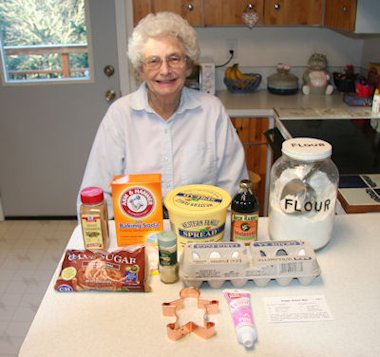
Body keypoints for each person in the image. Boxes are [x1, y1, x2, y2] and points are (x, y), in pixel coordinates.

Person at [78, 11, 248, 218]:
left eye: (174, 59)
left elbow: (233, 185)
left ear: (188, 66)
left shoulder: (211, 111)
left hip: (202, 230)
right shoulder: (120, 116)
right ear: (140, 70)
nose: (165, 70)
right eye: (154, 61)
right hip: (138, 234)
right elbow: (97, 193)